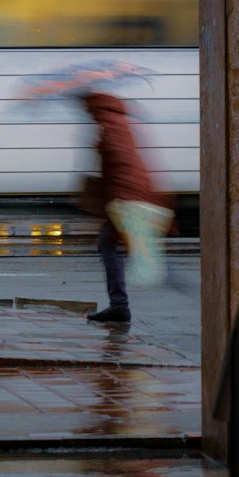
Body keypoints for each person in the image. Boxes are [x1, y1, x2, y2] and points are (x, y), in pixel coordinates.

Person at [78, 90, 173, 327]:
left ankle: (120, 306)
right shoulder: (116, 124)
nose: (87, 114)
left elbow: (120, 166)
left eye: (88, 109)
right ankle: (120, 305)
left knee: (116, 246)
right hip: (129, 197)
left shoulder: (110, 127)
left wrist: (116, 203)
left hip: (127, 199)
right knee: (117, 245)